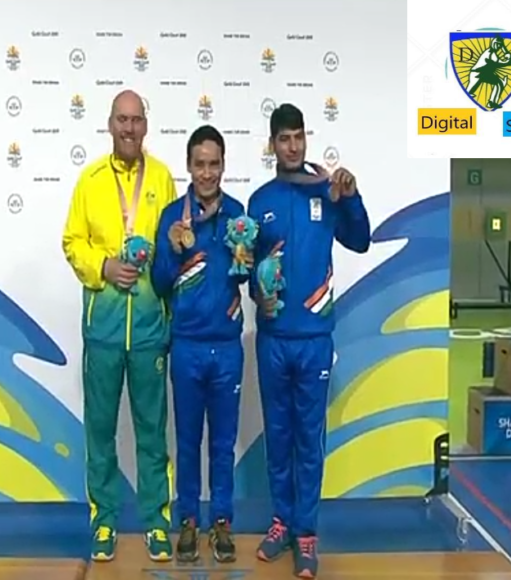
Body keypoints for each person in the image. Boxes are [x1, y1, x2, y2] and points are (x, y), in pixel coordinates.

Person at [247, 104, 371, 579]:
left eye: (299, 137)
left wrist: (351, 198)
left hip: (315, 339)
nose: (293, 146)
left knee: (308, 439)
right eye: (284, 139)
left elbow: (360, 240)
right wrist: (255, 284)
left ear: (306, 138)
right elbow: (246, 266)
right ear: (272, 145)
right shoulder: (260, 202)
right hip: (274, 338)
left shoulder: (329, 191)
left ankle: (307, 532)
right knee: (278, 437)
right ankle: (281, 523)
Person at [62, 90, 177, 562]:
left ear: (146, 126)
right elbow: (72, 241)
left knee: (152, 430)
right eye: (121, 120)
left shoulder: (164, 177)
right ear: (109, 125)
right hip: (104, 329)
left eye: (136, 120)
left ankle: (156, 521)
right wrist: (103, 267)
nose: (129, 129)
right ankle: (104, 521)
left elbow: (174, 248)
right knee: (101, 431)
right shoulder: (89, 180)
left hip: (150, 327)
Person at [151, 125, 249, 564]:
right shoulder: (173, 216)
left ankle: (222, 521)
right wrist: (172, 251)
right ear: (188, 167)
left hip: (227, 347)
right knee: (188, 441)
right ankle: (188, 520)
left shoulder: (238, 215)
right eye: (199, 164)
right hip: (187, 345)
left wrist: (247, 260)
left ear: (223, 166)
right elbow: (157, 281)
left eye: (214, 164)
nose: (207, 173)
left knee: (223, 443)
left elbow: (244, 277)